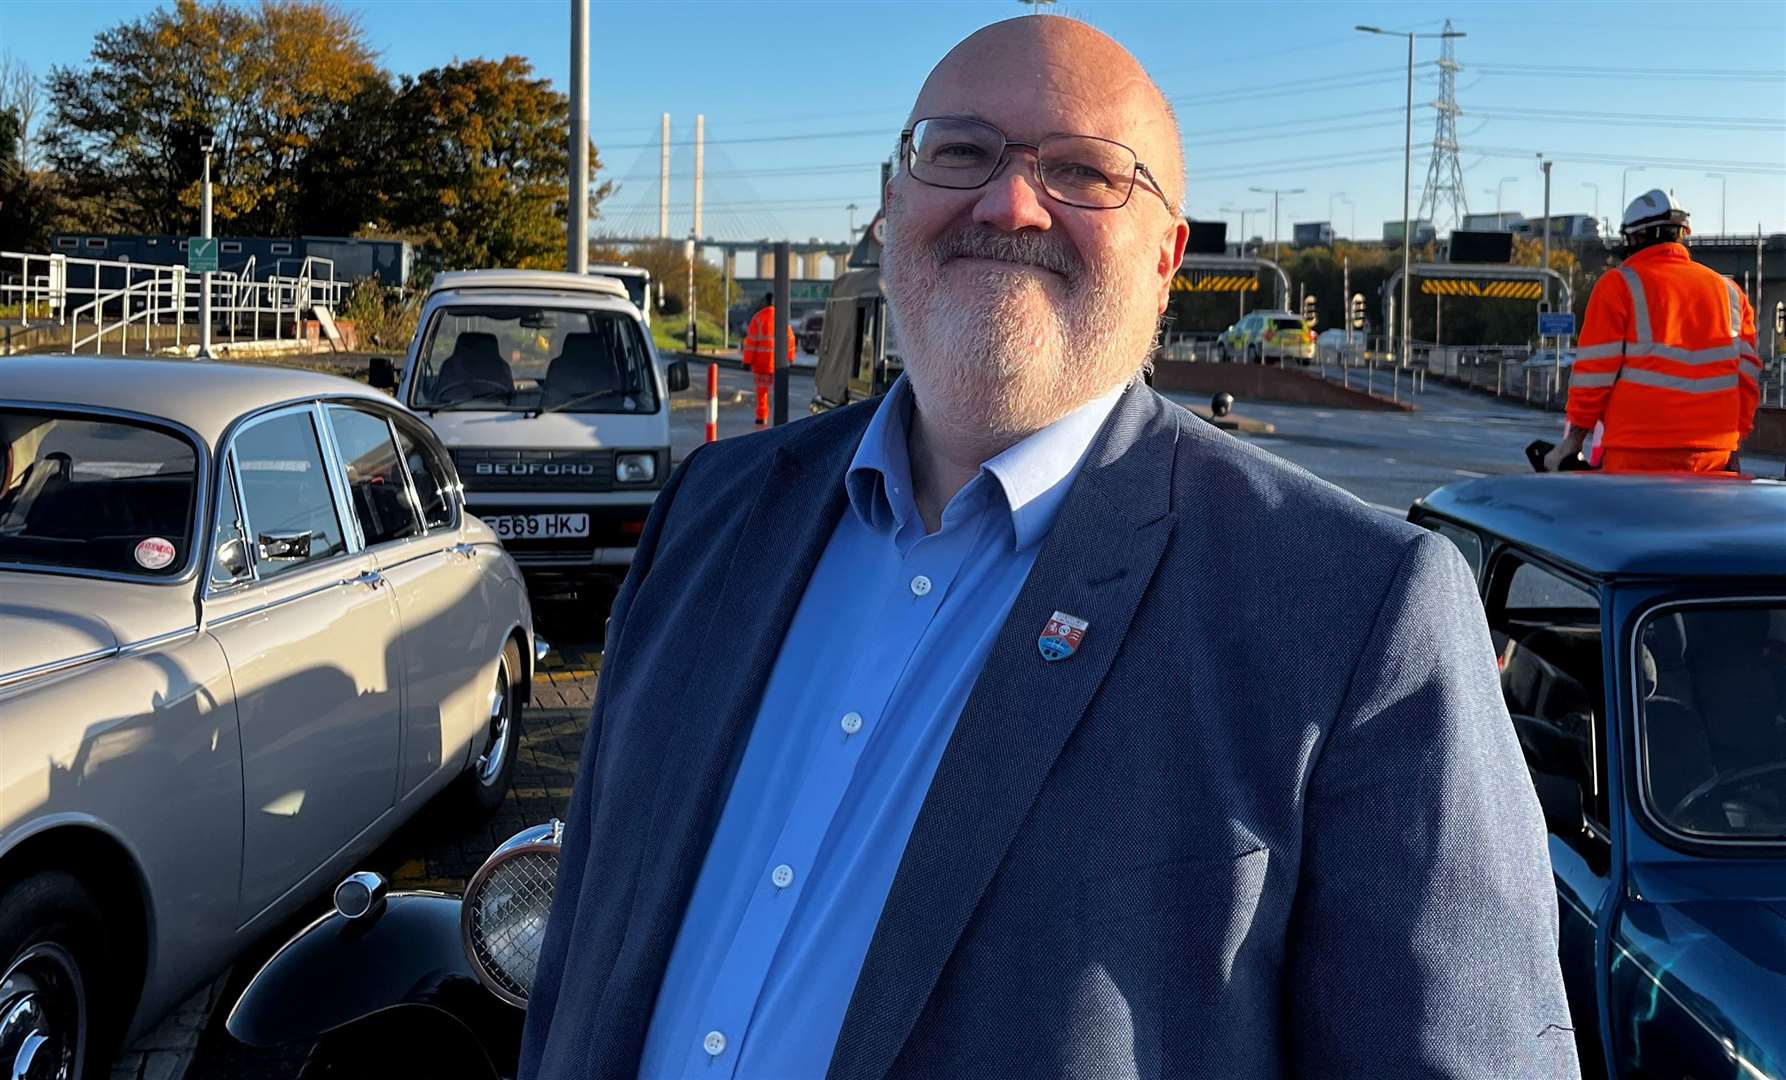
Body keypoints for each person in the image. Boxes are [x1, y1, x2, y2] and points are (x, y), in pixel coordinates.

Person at [522, 16, 1578, 1080]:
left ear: (1169, 255)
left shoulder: (1353, 611)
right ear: (891, 204)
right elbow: (582, 944)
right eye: (961, 151)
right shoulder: (712, 510)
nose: (1009, 201)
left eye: (1083, 171)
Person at [1545, 189, 1761, 473]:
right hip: (1713, 457)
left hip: (1637, 451)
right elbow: (1747, 379)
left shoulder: (1618, 286)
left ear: (1634, 237)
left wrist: (1573, 441)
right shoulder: (1730, 292)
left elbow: (1595, 373)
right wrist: (1733, 444)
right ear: (1683, 234)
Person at [742, 292, 794, 425]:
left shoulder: (758, 318)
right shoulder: (782, 318)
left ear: (766, 301)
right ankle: (780, 418)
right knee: (779, 392)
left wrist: (747, 361)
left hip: (761, 363)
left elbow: (751, 342)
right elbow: (790, 339)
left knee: (762, 392)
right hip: (778, 363)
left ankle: (762, 416)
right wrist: (790, 357)